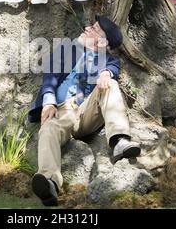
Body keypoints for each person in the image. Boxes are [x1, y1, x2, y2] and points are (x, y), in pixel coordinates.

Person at [28, 15, 141, 206]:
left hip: (86, 112)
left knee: (111, 84)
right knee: (47, 129)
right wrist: (48, 101)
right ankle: (50, 182)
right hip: (62, 111)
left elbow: (112, 68)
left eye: (95, 29)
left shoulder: (109, 61)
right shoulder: (66, 50)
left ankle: (119, 140)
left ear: (103, 42)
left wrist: (106, 73)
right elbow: (50, 76)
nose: (88, 28)